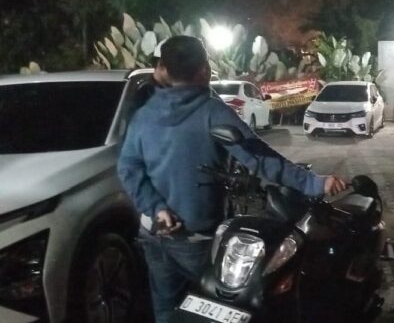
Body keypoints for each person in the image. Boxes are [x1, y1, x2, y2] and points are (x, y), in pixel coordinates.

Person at [118, 35, 346, 323]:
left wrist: (156, 208)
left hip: (152, 231)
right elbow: (260, 159)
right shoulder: (211, 111)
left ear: (164, 68)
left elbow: (128, 168)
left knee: (166, 309)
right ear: (204, 70)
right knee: (221, 308)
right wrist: (314, 183)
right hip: (195, 238)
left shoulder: (144, 114)